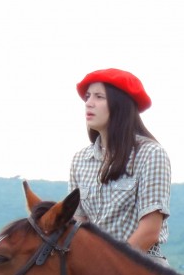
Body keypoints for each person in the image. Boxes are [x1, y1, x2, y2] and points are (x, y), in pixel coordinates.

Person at [70, 68, 171, 259]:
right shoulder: (80, 160)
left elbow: (150, 231)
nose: (89, 103)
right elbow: (77, 224)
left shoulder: (150, 154)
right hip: (92, 267)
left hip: (141, 264)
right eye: (88, 97)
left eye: (99, 97)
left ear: (120, 106)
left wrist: (110, 265)